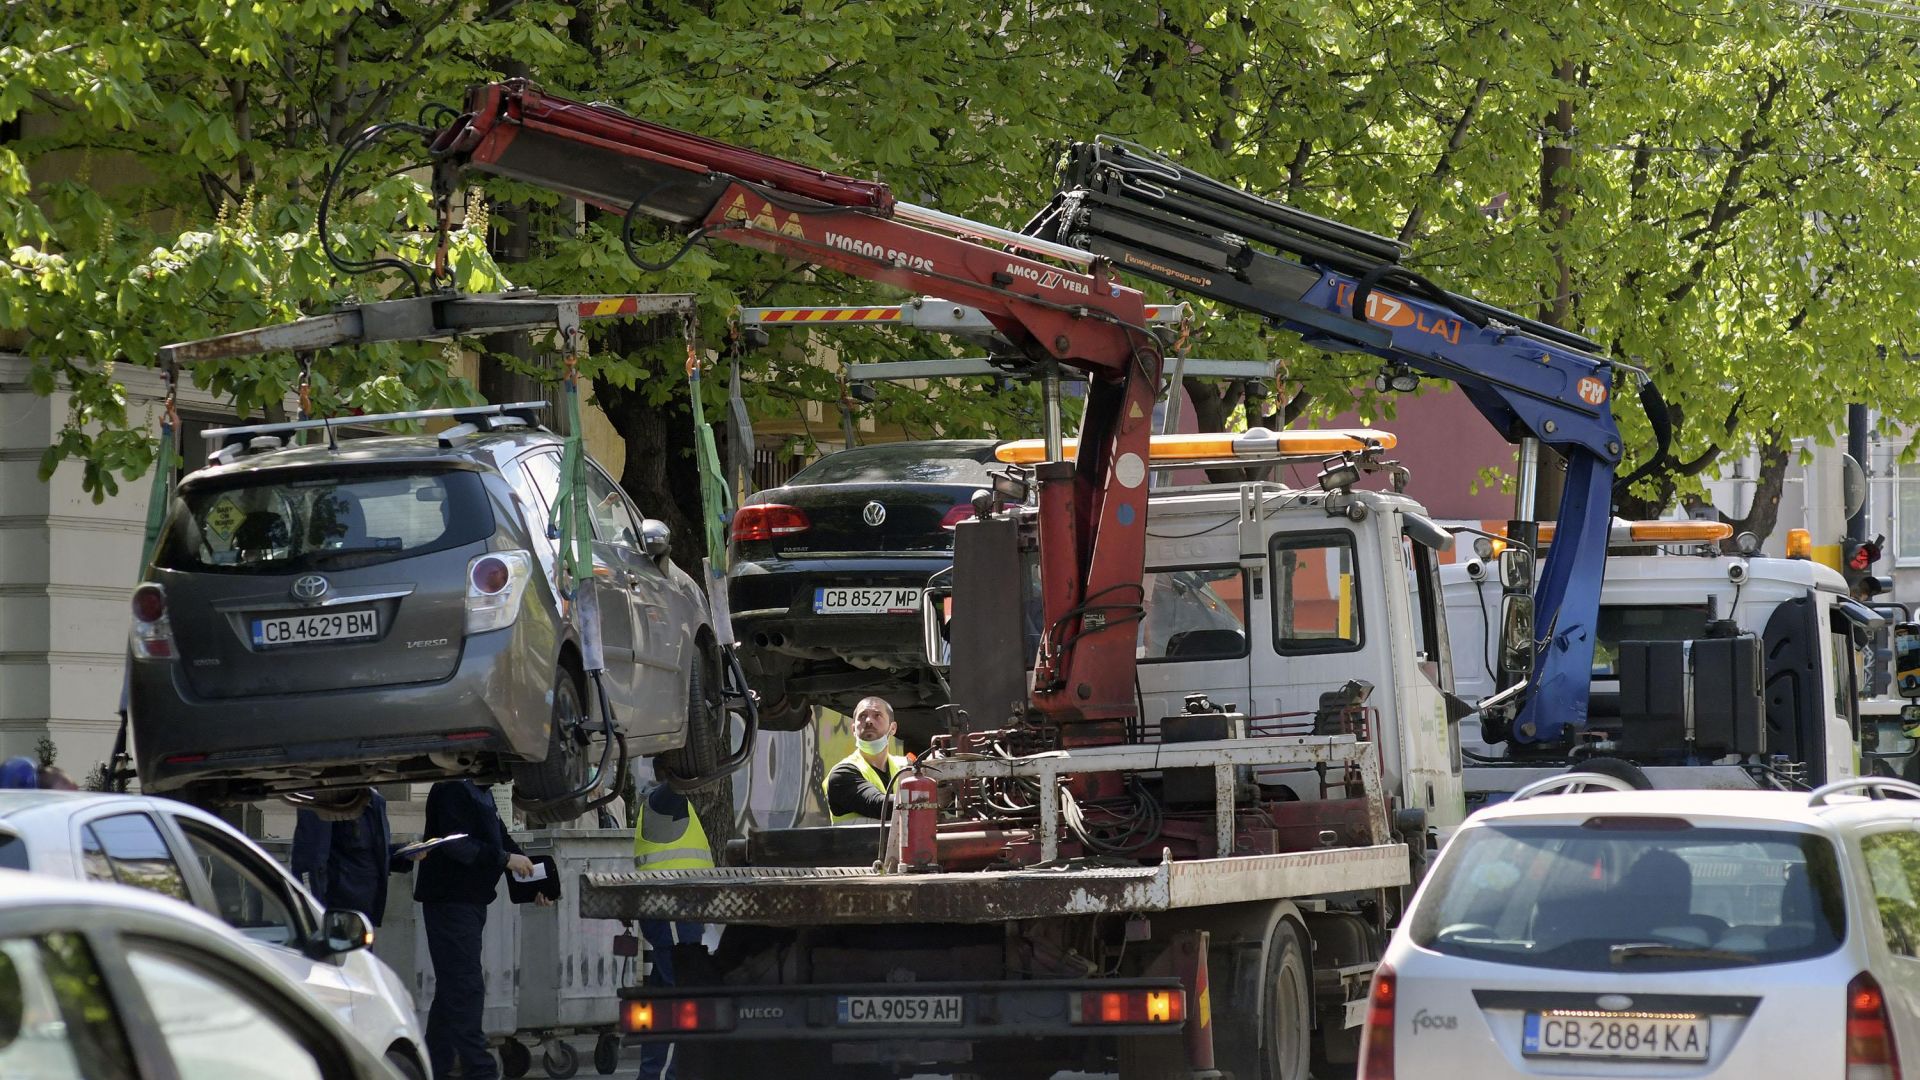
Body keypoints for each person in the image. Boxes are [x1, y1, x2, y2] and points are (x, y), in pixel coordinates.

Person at [414, 779, 547, 1080]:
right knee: (465, 987)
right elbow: (456, 845)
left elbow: (502, 841)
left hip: (468, 902)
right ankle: (480, 1069)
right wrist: (504, 859)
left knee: (453, 990)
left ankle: (433, 1066)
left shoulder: (481, 793)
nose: (504, 777)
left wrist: (534, 882)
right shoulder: (453, 789)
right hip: (451, 900)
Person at [630, 782, 714, 1080]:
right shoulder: (661, 803)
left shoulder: (662, 810)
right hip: (673, 912)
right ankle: (674, 1073)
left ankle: (653, 1073)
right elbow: (680, 783)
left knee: (664, 998)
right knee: (683, 1000)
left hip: (672, 912)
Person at [290, 788, 412, 928]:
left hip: (364, 910)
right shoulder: (321, 798)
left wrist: (404, 854)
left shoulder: (375, 800)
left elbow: (372, 854)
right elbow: (310, 859)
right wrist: (312, 910)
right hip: (336, 909)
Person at [823, 697, 909, 823]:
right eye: (862, 716)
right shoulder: (841, 774)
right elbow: (879, 805)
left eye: (877, 715)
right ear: (853, 729)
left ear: (893, 728)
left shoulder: (905, 766)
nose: (868, 721)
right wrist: (927, 797)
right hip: (857, 843)